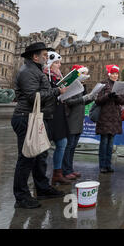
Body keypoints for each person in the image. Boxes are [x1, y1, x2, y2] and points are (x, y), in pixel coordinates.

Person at [12, 42, 67, 209]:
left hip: (34, 117)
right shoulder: (28, 71)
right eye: (44, 55)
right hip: (26, 117)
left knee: (39, 156)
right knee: (27, 158)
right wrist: (57, 91)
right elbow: (32, 97)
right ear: (35, 56)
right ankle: (21, 197)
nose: (46, 57)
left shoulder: (34, 69)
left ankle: (42, 188)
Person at [62, 65, 96, 180]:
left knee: (73, 146)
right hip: (71, 119)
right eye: (83, 74)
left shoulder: (81, 86)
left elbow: (81, 103)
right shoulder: (71, 85)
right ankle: (65, 170)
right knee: (69, 146)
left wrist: (91, 97)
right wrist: (83, 98)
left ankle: (70, 169)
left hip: (78, 119)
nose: (85, 76)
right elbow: (68, 101)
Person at [43, 51, 72, 185]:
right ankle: (41, 175)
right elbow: (45, 94)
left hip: (59, 112)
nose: (59, 65)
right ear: (49, 63)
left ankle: (57, 173)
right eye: (56, 63)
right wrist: (59, 92)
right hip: (49, 114)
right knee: (44, 147)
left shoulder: (57, 77)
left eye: (60, 63)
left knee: (63, 143)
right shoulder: (44, 76)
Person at [95, 65, 124, 173]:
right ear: (109, 74)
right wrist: (108, 96)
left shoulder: (120, 85)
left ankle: (108, 165)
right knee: (104, 142)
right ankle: (102, 165)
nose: (115, 75)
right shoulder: (103, 84)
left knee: (110, 143)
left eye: (116, 74)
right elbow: (97, 100)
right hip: (104, 117)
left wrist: (117, 96)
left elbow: (123, 100)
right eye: (113, 73)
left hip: (115, 118)